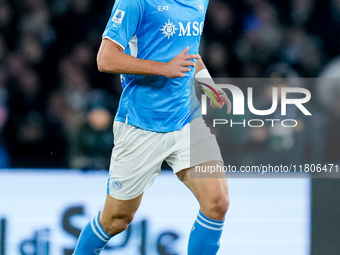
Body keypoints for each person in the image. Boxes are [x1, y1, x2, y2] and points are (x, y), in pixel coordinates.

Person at [72, 0, 231, 254]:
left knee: (217, 202)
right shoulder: (135, 2)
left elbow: (186, 49)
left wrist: (208, 85)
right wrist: (163, 69)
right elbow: (105, 58)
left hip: (186, 120)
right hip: (140, 124)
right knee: (116, 220)